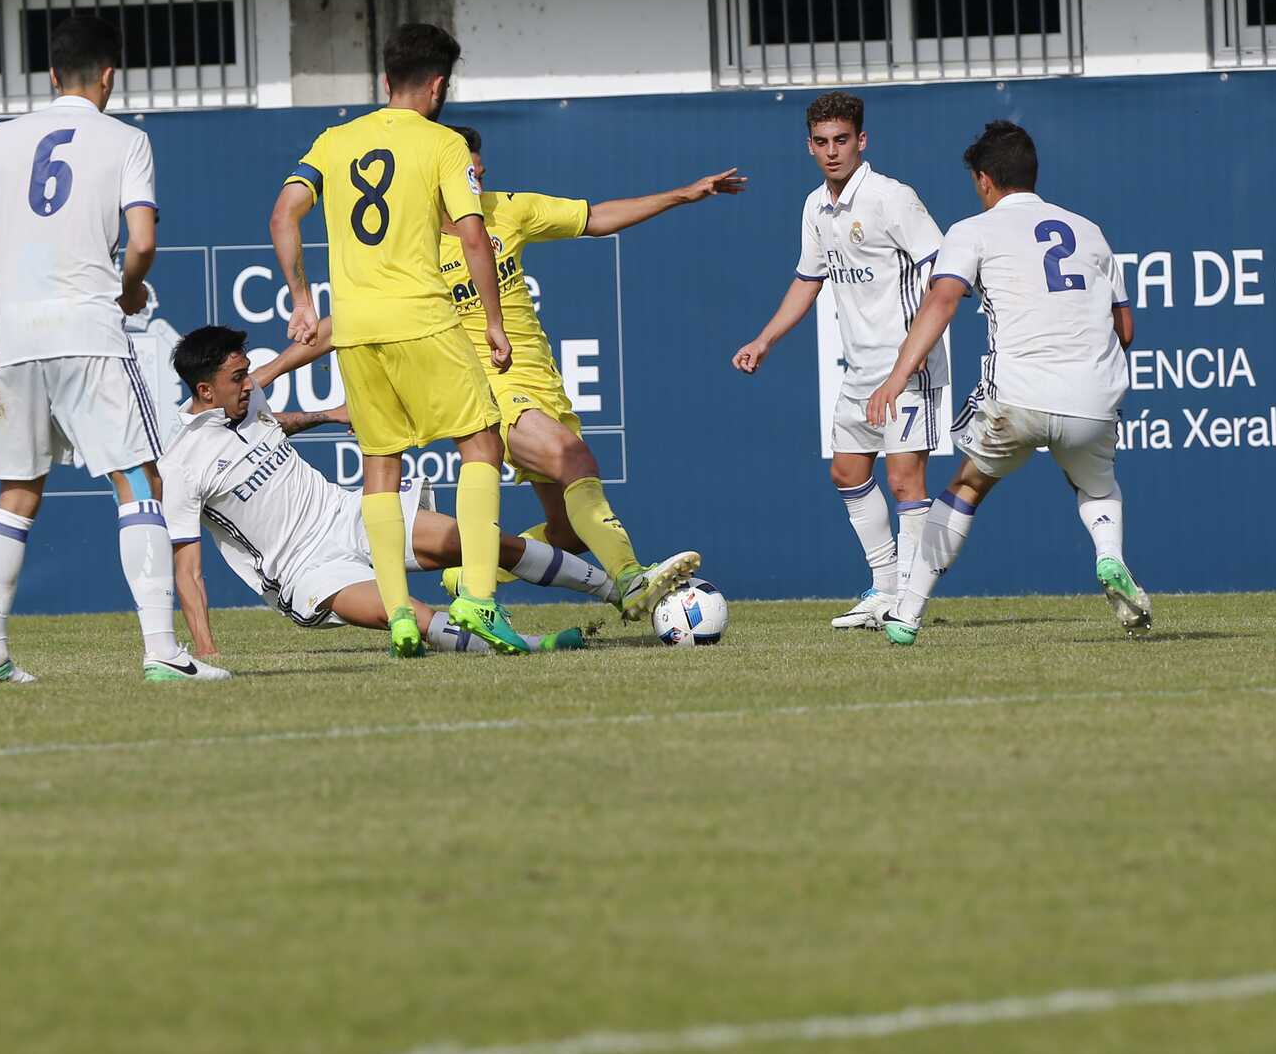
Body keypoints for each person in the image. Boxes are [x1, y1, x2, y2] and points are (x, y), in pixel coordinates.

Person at [0, 13, 226, 686]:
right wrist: (128, 287)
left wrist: (2, 274)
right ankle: (162, 651)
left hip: (16, 338)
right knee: (139, 483)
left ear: (50, 74)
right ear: (109, 75)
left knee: (17, 492)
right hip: (88, 331)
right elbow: (143, 241)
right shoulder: (126, 140)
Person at [270, 22, 531, 658]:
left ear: (386, 79)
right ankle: (478, 597)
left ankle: (399, 615)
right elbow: (474, 237)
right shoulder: (443, 143)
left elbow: (282, 215)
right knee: (482, 442)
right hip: (422, 318)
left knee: (380, 468)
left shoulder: (334, 140)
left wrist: (303, 299)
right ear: (438, 86)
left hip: (356, 329)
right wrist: (494, 324)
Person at [859, 120, 1152, 645]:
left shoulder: (972, 230)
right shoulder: (1088, 230)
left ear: (984, 180)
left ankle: (907, 612)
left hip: (1018, 395)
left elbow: (941, 302)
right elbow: (1125, 331)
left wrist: (896, 379)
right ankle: (1109, 556)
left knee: (967, 486)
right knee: (1097, 484)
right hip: (1095, 395)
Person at [428, 124, 723, 621]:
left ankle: (469, 574)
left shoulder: (509, 210)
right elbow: (362, 317)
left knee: (567, 531)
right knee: (575, 460)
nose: (477, 184)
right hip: (490, 389)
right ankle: (631, 578)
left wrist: (681, 195)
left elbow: (596, 216)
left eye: (481, 174)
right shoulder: (416, 245)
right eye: (468, 177)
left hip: (543, 385)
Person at [162, 326, 608, 656]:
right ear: (205, 390)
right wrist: (207, 650)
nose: (250, 383)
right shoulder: (182, 466)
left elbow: (269, 425)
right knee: (410, 616)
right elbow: (188, 571)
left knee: (484, 542)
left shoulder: (246, 401)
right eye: (238, 377)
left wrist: (327, 415)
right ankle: (536, 645)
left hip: (346, 516)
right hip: (306, 570)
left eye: (247, 373)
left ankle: (618, 589)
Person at [731, 92, 948, 631]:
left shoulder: (891, 198)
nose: (832, 151)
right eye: (822, 142)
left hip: (908, 369)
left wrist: (911, 358)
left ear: (861, 141)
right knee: (847, 472)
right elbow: (808, 281)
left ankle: (908, 601)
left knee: (904, 481)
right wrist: (764, 340)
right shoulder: (815, 207)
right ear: (809, 146)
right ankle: (884, 588)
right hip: (859, 372)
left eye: (842, 140)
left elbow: (944, 275)